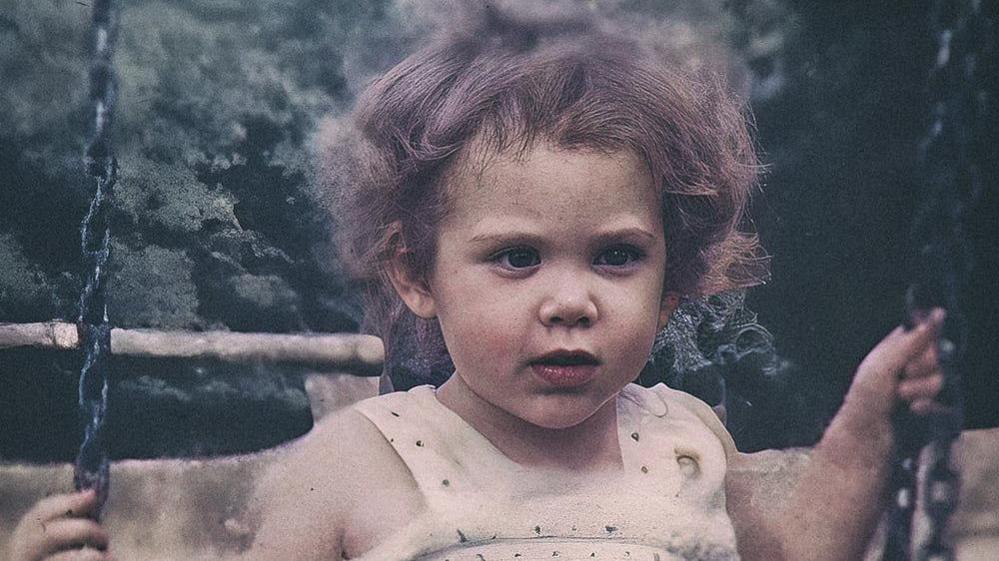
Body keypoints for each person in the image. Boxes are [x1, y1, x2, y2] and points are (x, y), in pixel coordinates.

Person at [10, 5, 947, 561]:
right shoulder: (356, 461)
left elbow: (791, 556)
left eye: (616, 255)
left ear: (672, 278)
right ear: (417, 274)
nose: (571, 298)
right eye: (516, 257)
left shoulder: (684, 438)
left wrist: (868, 420)